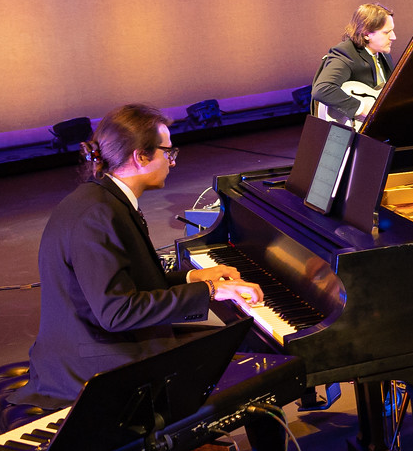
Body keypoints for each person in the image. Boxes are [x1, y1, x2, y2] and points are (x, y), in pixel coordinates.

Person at [24, 105, 264, 408]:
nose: (172, 162)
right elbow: (117, 312)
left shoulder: (102, 198)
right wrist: (213, 291)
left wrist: (194, 277)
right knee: (254, 363)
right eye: (168, 152)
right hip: (93, 363)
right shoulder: (97, 216)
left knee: (236, 343)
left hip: (100, 341)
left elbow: (128, 280)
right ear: (140, 156)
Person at [312, 3, 397, 126]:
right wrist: (362, 108)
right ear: (367, 34)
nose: (393, 37)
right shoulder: (345, 54)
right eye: (386, 32)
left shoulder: (383, 53)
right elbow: (322, 89)